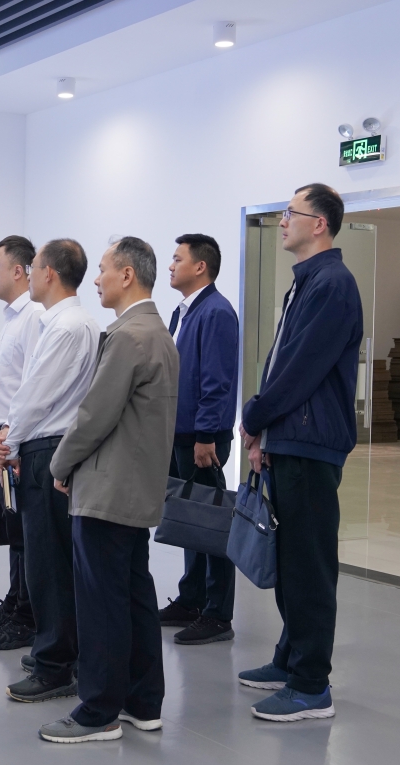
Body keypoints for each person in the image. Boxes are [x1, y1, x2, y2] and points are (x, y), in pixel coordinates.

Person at [37, 237, 178, 743]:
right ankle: (143, 701)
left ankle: (98, 712)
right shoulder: (158, 333)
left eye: (102, 269)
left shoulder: (128, 337)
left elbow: (94, 416)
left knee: (101, 605)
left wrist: (59, 464)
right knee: (134, 596)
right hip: (135, 490)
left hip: (107, 490)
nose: (95, 279)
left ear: (127, 275)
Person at [237, 183, 361, 722]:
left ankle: (312, 685)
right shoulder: (307, 281)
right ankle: (290, 659)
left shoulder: (333, 284)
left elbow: (300, 368)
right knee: (290, 561)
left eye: (292, 212)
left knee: (309, 566)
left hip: (312, 445)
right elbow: (282, 362)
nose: (283, 220)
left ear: (320, 223)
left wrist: (256, 415)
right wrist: (266, 434)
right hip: (291, 439)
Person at [0, 239, 99, 703]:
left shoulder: (68, 326)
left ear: (50, 273)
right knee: (50, 561)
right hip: (46, 446)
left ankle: (55, 665)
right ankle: (58, 651)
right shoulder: (65, 322)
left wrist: (9, 439)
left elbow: (36, 394)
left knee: (49, 566)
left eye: (33, 267)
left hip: (46, 448)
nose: (28, 274)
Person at [157, 234, 240, 646]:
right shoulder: (184, 312)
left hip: (201, 439)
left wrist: (206, 435)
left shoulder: (217, 312)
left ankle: (217, 614)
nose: (171, 266)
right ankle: (191, 599)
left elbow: (216, 381)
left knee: (213, 524)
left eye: (178, 259)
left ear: (200, 266)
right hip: (181, 435)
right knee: (191, 521)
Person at [0, 235, 43, 650]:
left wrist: (12, 438)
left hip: (11, 441)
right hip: (0, 438)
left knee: (24, 532)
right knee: (13, 528)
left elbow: (33, 385)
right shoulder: (14, 318)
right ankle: (16, 602)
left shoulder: (33, 317)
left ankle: (27, 616)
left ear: (18, 271)